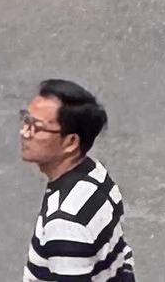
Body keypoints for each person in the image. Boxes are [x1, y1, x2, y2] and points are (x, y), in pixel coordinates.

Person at [20, 79, 131, 282]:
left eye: (37, 127)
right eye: (26, 120)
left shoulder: (65, 223)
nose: (25, 133)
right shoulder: (96, 174)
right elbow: (122, 256)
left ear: (71, 142)